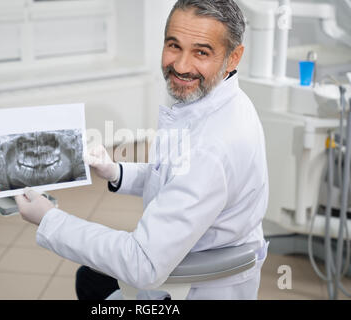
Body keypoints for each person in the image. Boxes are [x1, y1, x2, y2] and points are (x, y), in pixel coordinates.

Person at [15, 0, 269, 300]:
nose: (182, 65)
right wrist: (117, 172)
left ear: (233, 57)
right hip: (186, 263)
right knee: (91, 278)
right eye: (174, 46)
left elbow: (143, 263)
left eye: (201, 52)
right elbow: (175, 176)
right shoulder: (220, 102)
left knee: (93, 284)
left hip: (190, 290)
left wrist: (49, 220)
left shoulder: (212, 147)